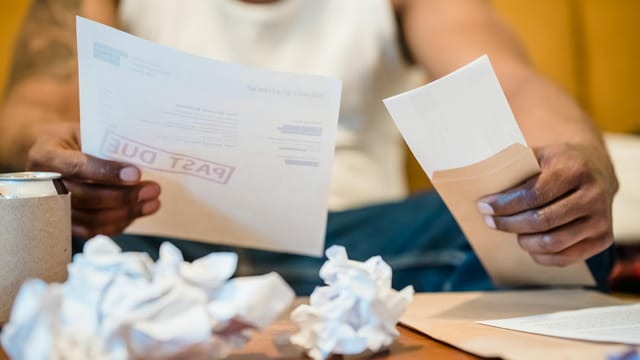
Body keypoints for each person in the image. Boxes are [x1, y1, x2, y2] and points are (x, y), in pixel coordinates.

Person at [0, 0, 618, 294]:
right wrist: (49, 159)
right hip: (155, 232)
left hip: (361, 251)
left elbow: (507, 81)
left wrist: (574, 159)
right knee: (45, 235)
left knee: (552, 239)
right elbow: (37, 105)